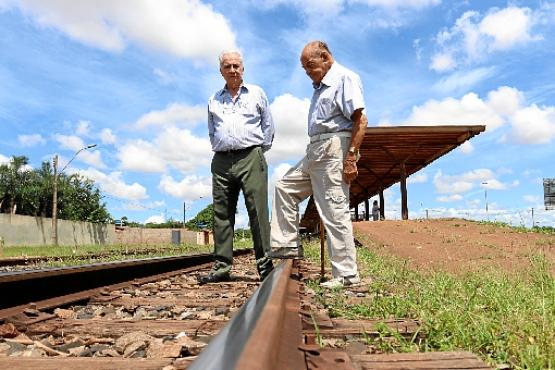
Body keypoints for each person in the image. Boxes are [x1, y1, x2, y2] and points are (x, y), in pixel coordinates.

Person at [270, 41, 368, 288]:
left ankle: (347, 275)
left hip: (334, 147)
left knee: (334, 210)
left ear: (325, 57)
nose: (307, 73)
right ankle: (287, 247)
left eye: (310, 66)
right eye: (304, 69)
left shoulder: (345, 78)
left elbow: (361, 120)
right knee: (285, 187)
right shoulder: (320, 85)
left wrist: (351, 157)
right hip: (315, 148)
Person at [198, 50, 274, 284]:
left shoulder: (257, 94)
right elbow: (212, 130)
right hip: (221, 159)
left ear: (243, 69)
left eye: (236, 66)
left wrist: (258, 151)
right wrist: (223, 147)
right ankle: (222, 267)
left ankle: (265, 266)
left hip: (251, 155)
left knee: (258, 212)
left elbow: (268, 126)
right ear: (221, 71)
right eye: (227, 66)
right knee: (221, 214)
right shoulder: (214, 99)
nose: (232, 70)